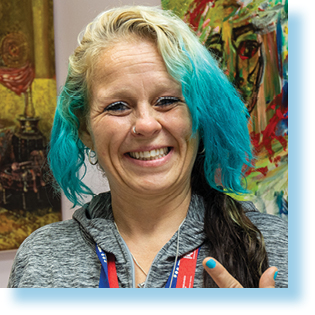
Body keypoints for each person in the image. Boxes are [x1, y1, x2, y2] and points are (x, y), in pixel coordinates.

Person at [8, 6, 287, 288]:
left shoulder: (283, 250)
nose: (146, 125)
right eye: (118, 106)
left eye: (167, 101)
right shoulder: (41, 259)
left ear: (200, 116)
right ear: (84, 130)